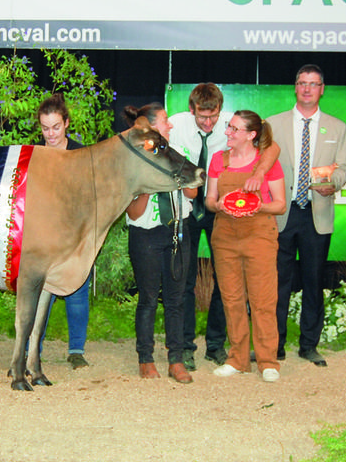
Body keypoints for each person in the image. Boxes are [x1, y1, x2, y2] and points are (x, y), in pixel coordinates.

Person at [169, 83, 279, 371]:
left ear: (220, 109)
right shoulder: (176, 124)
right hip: (191, 209)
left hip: (224, 215)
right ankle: (186, 346)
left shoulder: (234, 123)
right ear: (191, 109)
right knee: (185, 280)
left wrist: (258, 173)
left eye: (213, 116)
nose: (209, 123)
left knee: (226, 285)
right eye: (202, 117)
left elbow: (272, 146)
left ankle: (217, 346)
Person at [266, 64, 346, 367]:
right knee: (278, 283)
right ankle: (274, 345)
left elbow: (343, 168)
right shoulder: (272, 124)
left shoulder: (337, 127)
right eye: (302, 83)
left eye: (313, 84)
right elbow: (264, 166)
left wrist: (334, 184)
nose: (307, 89)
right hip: (281, 213)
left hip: (317, 213)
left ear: (322, 89)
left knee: (314, 282)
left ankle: (309, 346)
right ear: (295, 87)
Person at [206, 110, 286, 382]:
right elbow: (209, 199)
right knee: (231, 299)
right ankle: (237, 359)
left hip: (259, 236)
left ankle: (267, 361)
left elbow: (280, 204)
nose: (227, 132)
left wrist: (256, 206)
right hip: (225, 237)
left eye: (234, 129)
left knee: (263, 301)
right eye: (228, 127)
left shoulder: (267, 162)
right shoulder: (219, 160)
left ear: (251, 135)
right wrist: (217, 205)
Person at [123, 102, 195, 384]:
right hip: (146, 235)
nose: (171, 125)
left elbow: (191, 191)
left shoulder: (178, 153)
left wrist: (176, 176)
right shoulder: (134, 157)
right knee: (149, 298)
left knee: (176, 299)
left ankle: (176, 359)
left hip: (178, 230)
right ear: (150, 126)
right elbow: (134, 212)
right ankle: (146, 358)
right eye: (165, 120)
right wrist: (151, 183)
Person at [35, 93, 91, 369]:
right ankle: (33, 347)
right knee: (38, 293)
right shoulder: (31, 157)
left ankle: (76, 350)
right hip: (40, 239)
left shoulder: (81, 155)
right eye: (45, 128)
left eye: (56, 127)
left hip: (74, 236)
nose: (51, 133)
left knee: (77, 291)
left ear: (66, 123)